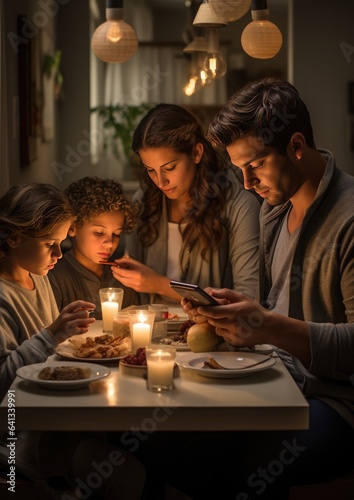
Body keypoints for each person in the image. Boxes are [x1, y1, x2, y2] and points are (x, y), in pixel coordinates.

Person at [171, 78, 354, 499]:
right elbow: (279, 308)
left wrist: (267, 326)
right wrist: (242, 309)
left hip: (338, 402)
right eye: (238, 170)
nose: (248, 183)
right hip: (280, 378)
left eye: (255, 165)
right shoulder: (275, 210)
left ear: (295, 145)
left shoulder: (347, 220)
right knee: (172, 439)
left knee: (250, 464)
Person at [0, 183, 145, 499]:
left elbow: (52, 357)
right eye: (50, 244)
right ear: (14, 237)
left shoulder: (37, 275)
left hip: (52, 418)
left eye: (60, 243)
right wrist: (52, 334)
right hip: (15, 437)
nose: (57, 254)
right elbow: (3, 384)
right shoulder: (3, 295)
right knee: (127, 475)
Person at [111, 103, 261, 305]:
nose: (160, 181)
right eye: (150, 170)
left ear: (196, 153)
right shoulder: (144, 201)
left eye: (170, 167)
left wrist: (159, 284)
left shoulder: (239, 206)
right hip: (151, 331)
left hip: (215, 332)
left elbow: (249, 298)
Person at [48, 176, 140, 318]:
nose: (110, 243)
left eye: (116, 234)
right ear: (72, 227)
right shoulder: (55, 279)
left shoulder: (124, 278)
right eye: (99, 233)